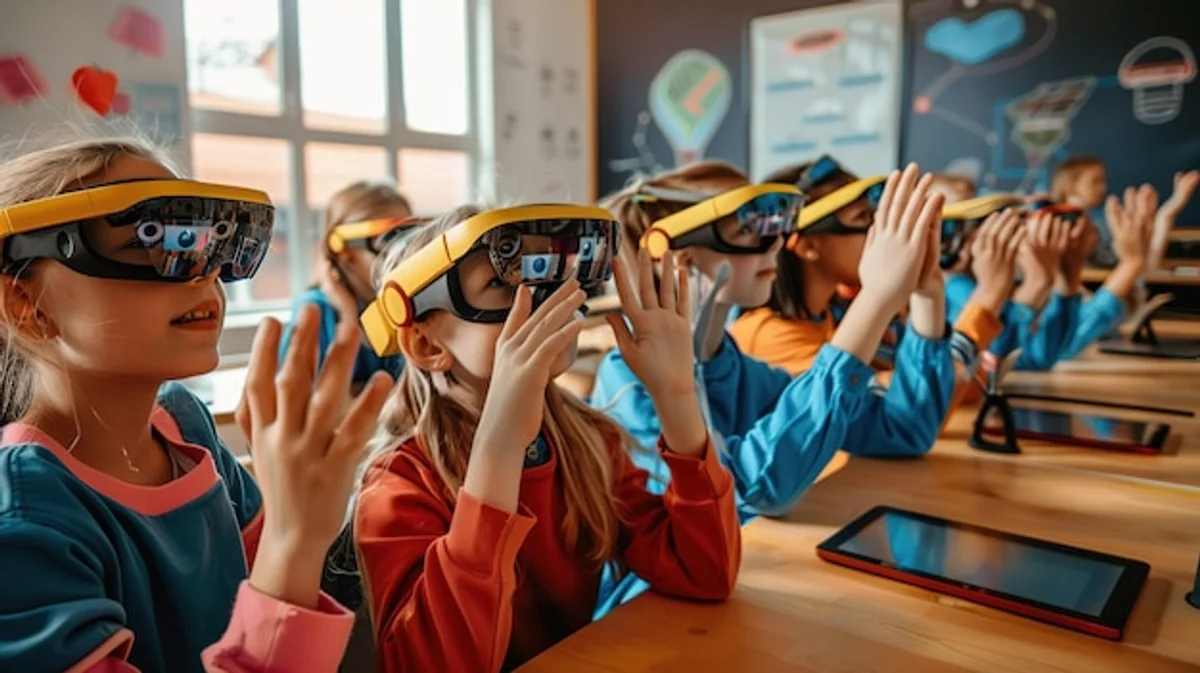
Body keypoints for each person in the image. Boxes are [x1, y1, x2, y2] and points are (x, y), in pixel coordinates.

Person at [0, 137, 392, 672]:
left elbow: (288, 588)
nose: (204, 270)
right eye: (150, 237)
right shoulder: (21, 522)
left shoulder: (185, 424)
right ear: (26, 303)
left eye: (208, 242)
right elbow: (286, 571)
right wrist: (296, 537)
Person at [352, 204, 741, 673]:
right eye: (501, 284)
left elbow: (705, 573)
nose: (544, 300)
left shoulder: (587, 441)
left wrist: (677, 395)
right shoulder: (399, 486)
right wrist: (499, 449)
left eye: (547, 274)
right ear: (428, 345)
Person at [590, 162, 959, 613]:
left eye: (779, 224)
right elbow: (748, 490)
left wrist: (927, 295)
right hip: (642, 623)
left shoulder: (732, 369)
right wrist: (876, 300)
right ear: (679, 258)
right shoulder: (627, 386)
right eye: (752, 228)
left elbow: (904, 431)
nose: (778, 243)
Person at [730, 156, 1004, 419]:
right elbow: (904, 420)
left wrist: (927, 292)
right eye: (863, 219)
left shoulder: (830, 316)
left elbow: (961, 390)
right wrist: (989, 294)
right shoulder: (769, 337)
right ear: (807, 245)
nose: (883, 232)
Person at [280, 181, 414, 385]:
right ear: (344, 251)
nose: (401, 255)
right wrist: (349, 317)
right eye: (387, 241)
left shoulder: (400, 302)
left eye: (407, 238)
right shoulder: (314, 311)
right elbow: (317, 402)